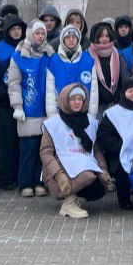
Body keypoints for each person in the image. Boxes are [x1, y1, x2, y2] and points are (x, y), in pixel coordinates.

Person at [40, 84, 111, 219]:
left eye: (80, 99)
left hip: (84, 165)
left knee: (101, 185)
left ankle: (75, 197)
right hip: (60, 170)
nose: (77, 102)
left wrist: (103, 169)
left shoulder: (91, 123)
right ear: (65, 100)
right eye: (73, 99)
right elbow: (46, 152)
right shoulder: (54, 123)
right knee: (88, 176)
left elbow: (96, 149)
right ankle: (68, 202)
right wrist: (59, 175)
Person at [8, 19, 53, 197]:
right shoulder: (19, 55)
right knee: (28, 149)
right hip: (27, 110)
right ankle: (25, 182)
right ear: (30, 34)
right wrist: (17, 105)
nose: (40, 36)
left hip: (46, 109)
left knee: (43, 150)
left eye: (42, 33)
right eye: (37, 33)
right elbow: (14, 83)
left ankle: (39, 180)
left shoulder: (50, 54)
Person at [0, 14, 26, 191]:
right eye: (13, 29)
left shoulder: (27, 47)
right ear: (8, 31)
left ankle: (20, 176)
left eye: (19, 29)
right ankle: (6, 178)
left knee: (21, 141)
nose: (16, 32)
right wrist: (3, 93)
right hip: (3, 103)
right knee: (6, 142)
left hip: (24, 102)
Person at [97, 82, 133, 211]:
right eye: (130, 90)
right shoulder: (114, 113)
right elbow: (102, 136)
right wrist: (122, 146)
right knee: (123, 170)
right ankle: (124, 198)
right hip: (122, 152)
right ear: (124, 93)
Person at [89, 21, 133, 113]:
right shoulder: (88, 55)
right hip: (96, 105)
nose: (104, 38)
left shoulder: (118, 54)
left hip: (117, 103)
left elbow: (124, 77)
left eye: (107, 35)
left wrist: (118, 94)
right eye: (101, 36)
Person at [45, 25, 96, 118]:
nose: (71, 40)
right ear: (63, 39)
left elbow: (94, 91)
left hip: (83, 114)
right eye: (68, 37)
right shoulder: (54, 60)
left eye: (74, 37)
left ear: (78, 39)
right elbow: (50, 91)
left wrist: (92, 115)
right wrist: (52, 116)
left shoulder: (88, 60)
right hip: (60, 113)